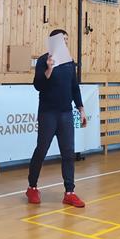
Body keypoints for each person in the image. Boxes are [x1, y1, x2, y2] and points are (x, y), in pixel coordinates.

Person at [27, 29, 87, 207]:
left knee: (68, 153)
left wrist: (81, 109)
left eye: (67, 40)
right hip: (48, 113)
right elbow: (38, 85)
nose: (65, 43)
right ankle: (32, 187)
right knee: (41, 150)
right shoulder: (43, 60)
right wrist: (49, 69)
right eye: (62, 40)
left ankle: (69, 192)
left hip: (66, 113)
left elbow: (74, 87)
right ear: (54, 42)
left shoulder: (69, 63)